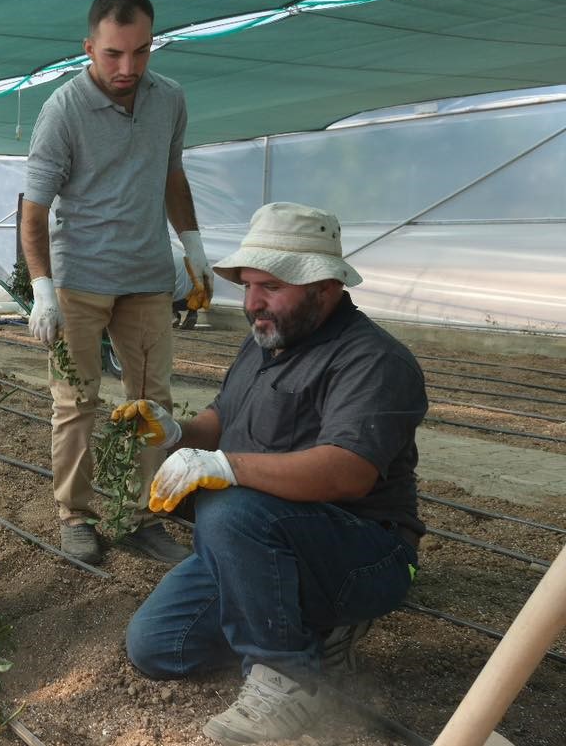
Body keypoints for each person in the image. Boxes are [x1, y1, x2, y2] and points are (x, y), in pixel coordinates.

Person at [118, 202, 426, 744]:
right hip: (264, 548)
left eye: (271, 287)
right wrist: (175, 434)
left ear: (325, 287)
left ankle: (289, 678)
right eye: (247, 285)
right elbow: (222, 419)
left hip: (361, 554)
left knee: (228, 503)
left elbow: (348, 473)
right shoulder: (267, 339)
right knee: (158, 645)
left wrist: (224, 467)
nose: (252, 302)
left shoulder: (373, 360)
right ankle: (312, 625)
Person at [20, 0, 211, 565]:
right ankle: (75, 515)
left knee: (151, 403)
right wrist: (43, 292)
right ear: (89, 47)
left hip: (148, 279)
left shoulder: (169, 99)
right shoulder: (64, 110)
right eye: (113, 54)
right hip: (79, 282)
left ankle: (138, 515)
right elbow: (34, 208)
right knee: (77, 401)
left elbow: (171, 174)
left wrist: (194, 246)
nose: (127, 67)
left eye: (141, 52)